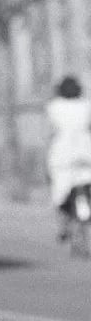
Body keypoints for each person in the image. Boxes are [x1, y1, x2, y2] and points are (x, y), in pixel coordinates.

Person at [45, 75, 91, 247]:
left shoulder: (53, 107)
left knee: (60, 194)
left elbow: (48, 133)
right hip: (85, 154)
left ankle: (64, 225)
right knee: (85, 187)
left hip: (62, 156)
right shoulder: (86, 105)